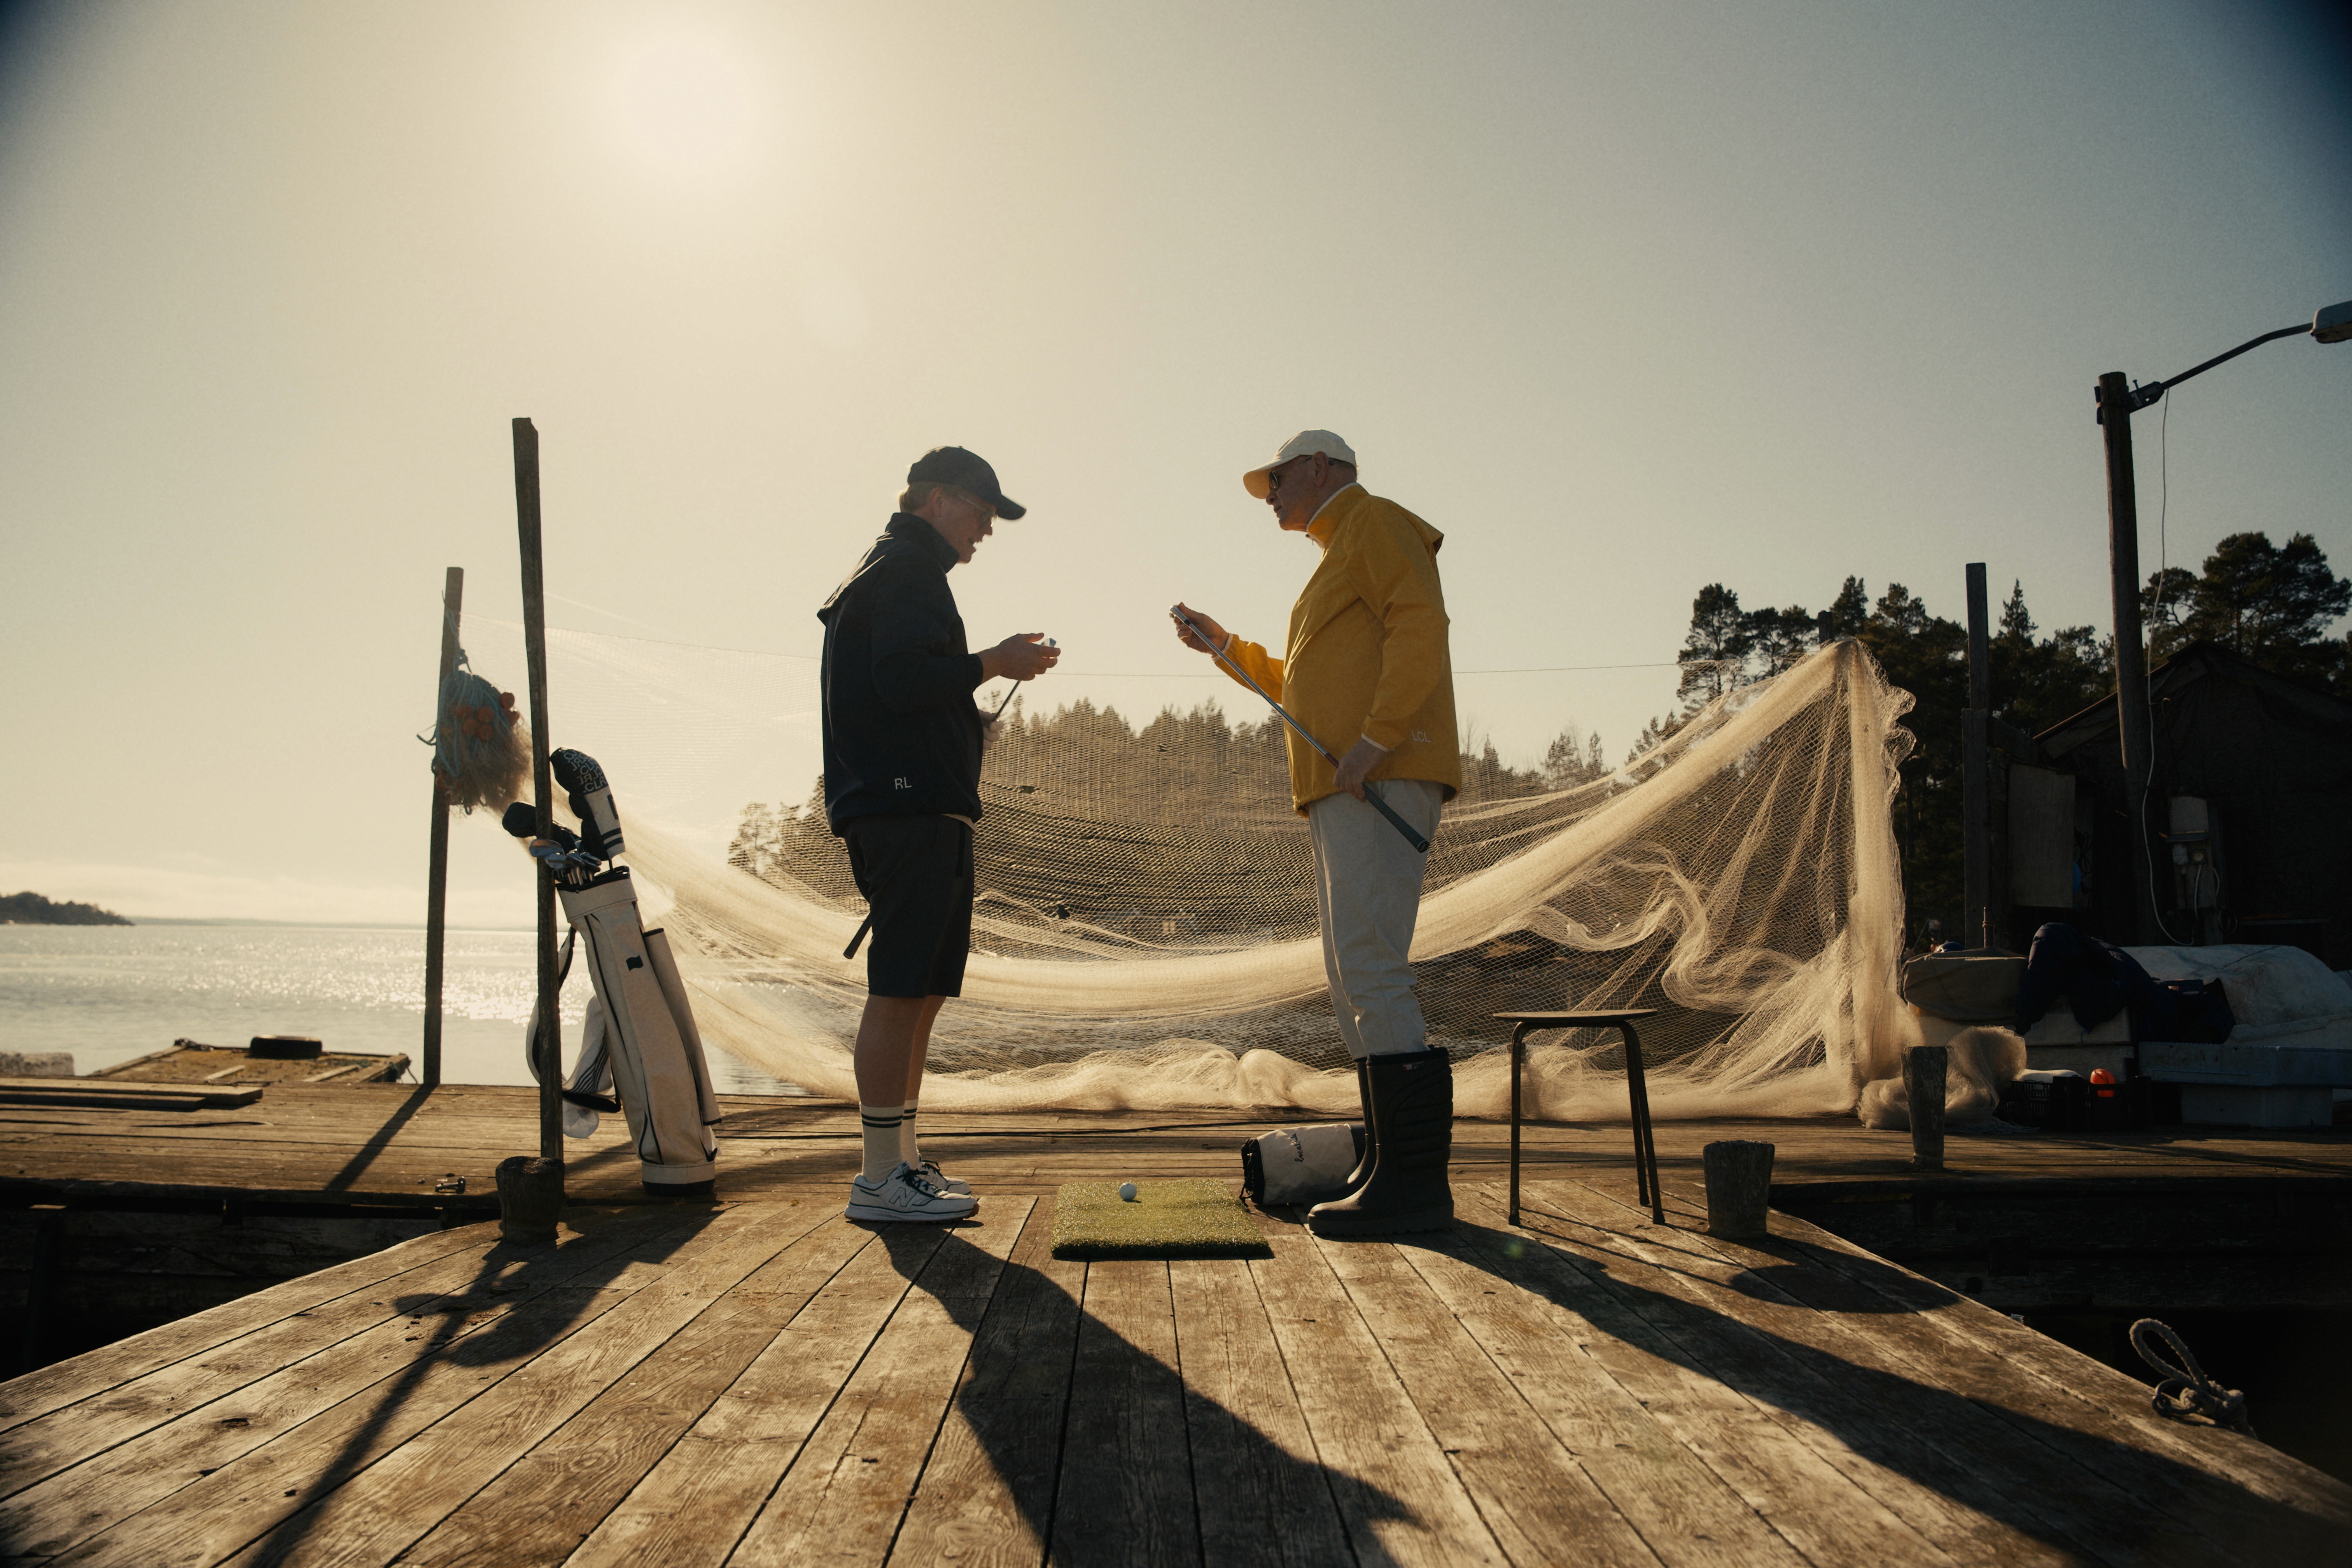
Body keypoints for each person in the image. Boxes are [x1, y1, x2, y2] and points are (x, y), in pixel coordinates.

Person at [1172, 429, 1461, 1235]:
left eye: (1277, 477)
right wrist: (1225, 648)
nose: (1268, 492)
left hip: (1379, 777)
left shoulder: (1375, 524)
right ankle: (1387, 1165)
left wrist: (1377, 737)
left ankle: (1414, 1190)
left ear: (1320, 468)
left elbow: (1422, 624)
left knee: (1371, 968)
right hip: (1345, 787)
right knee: (1350, 974)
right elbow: (1299, 686)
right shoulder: (1335, 558)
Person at [819, 446, 1059, 1222]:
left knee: (921, 993)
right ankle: (879, 1177)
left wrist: (964, 716)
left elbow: (905, 688)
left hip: (924, 807)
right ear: (936, 500)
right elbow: (898, 681)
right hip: (904, 810)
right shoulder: (902, 571)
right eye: (983, 510)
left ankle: (904, 1163)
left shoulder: (907, 572)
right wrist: (994, 661)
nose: (988, 528)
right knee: (897, 991)